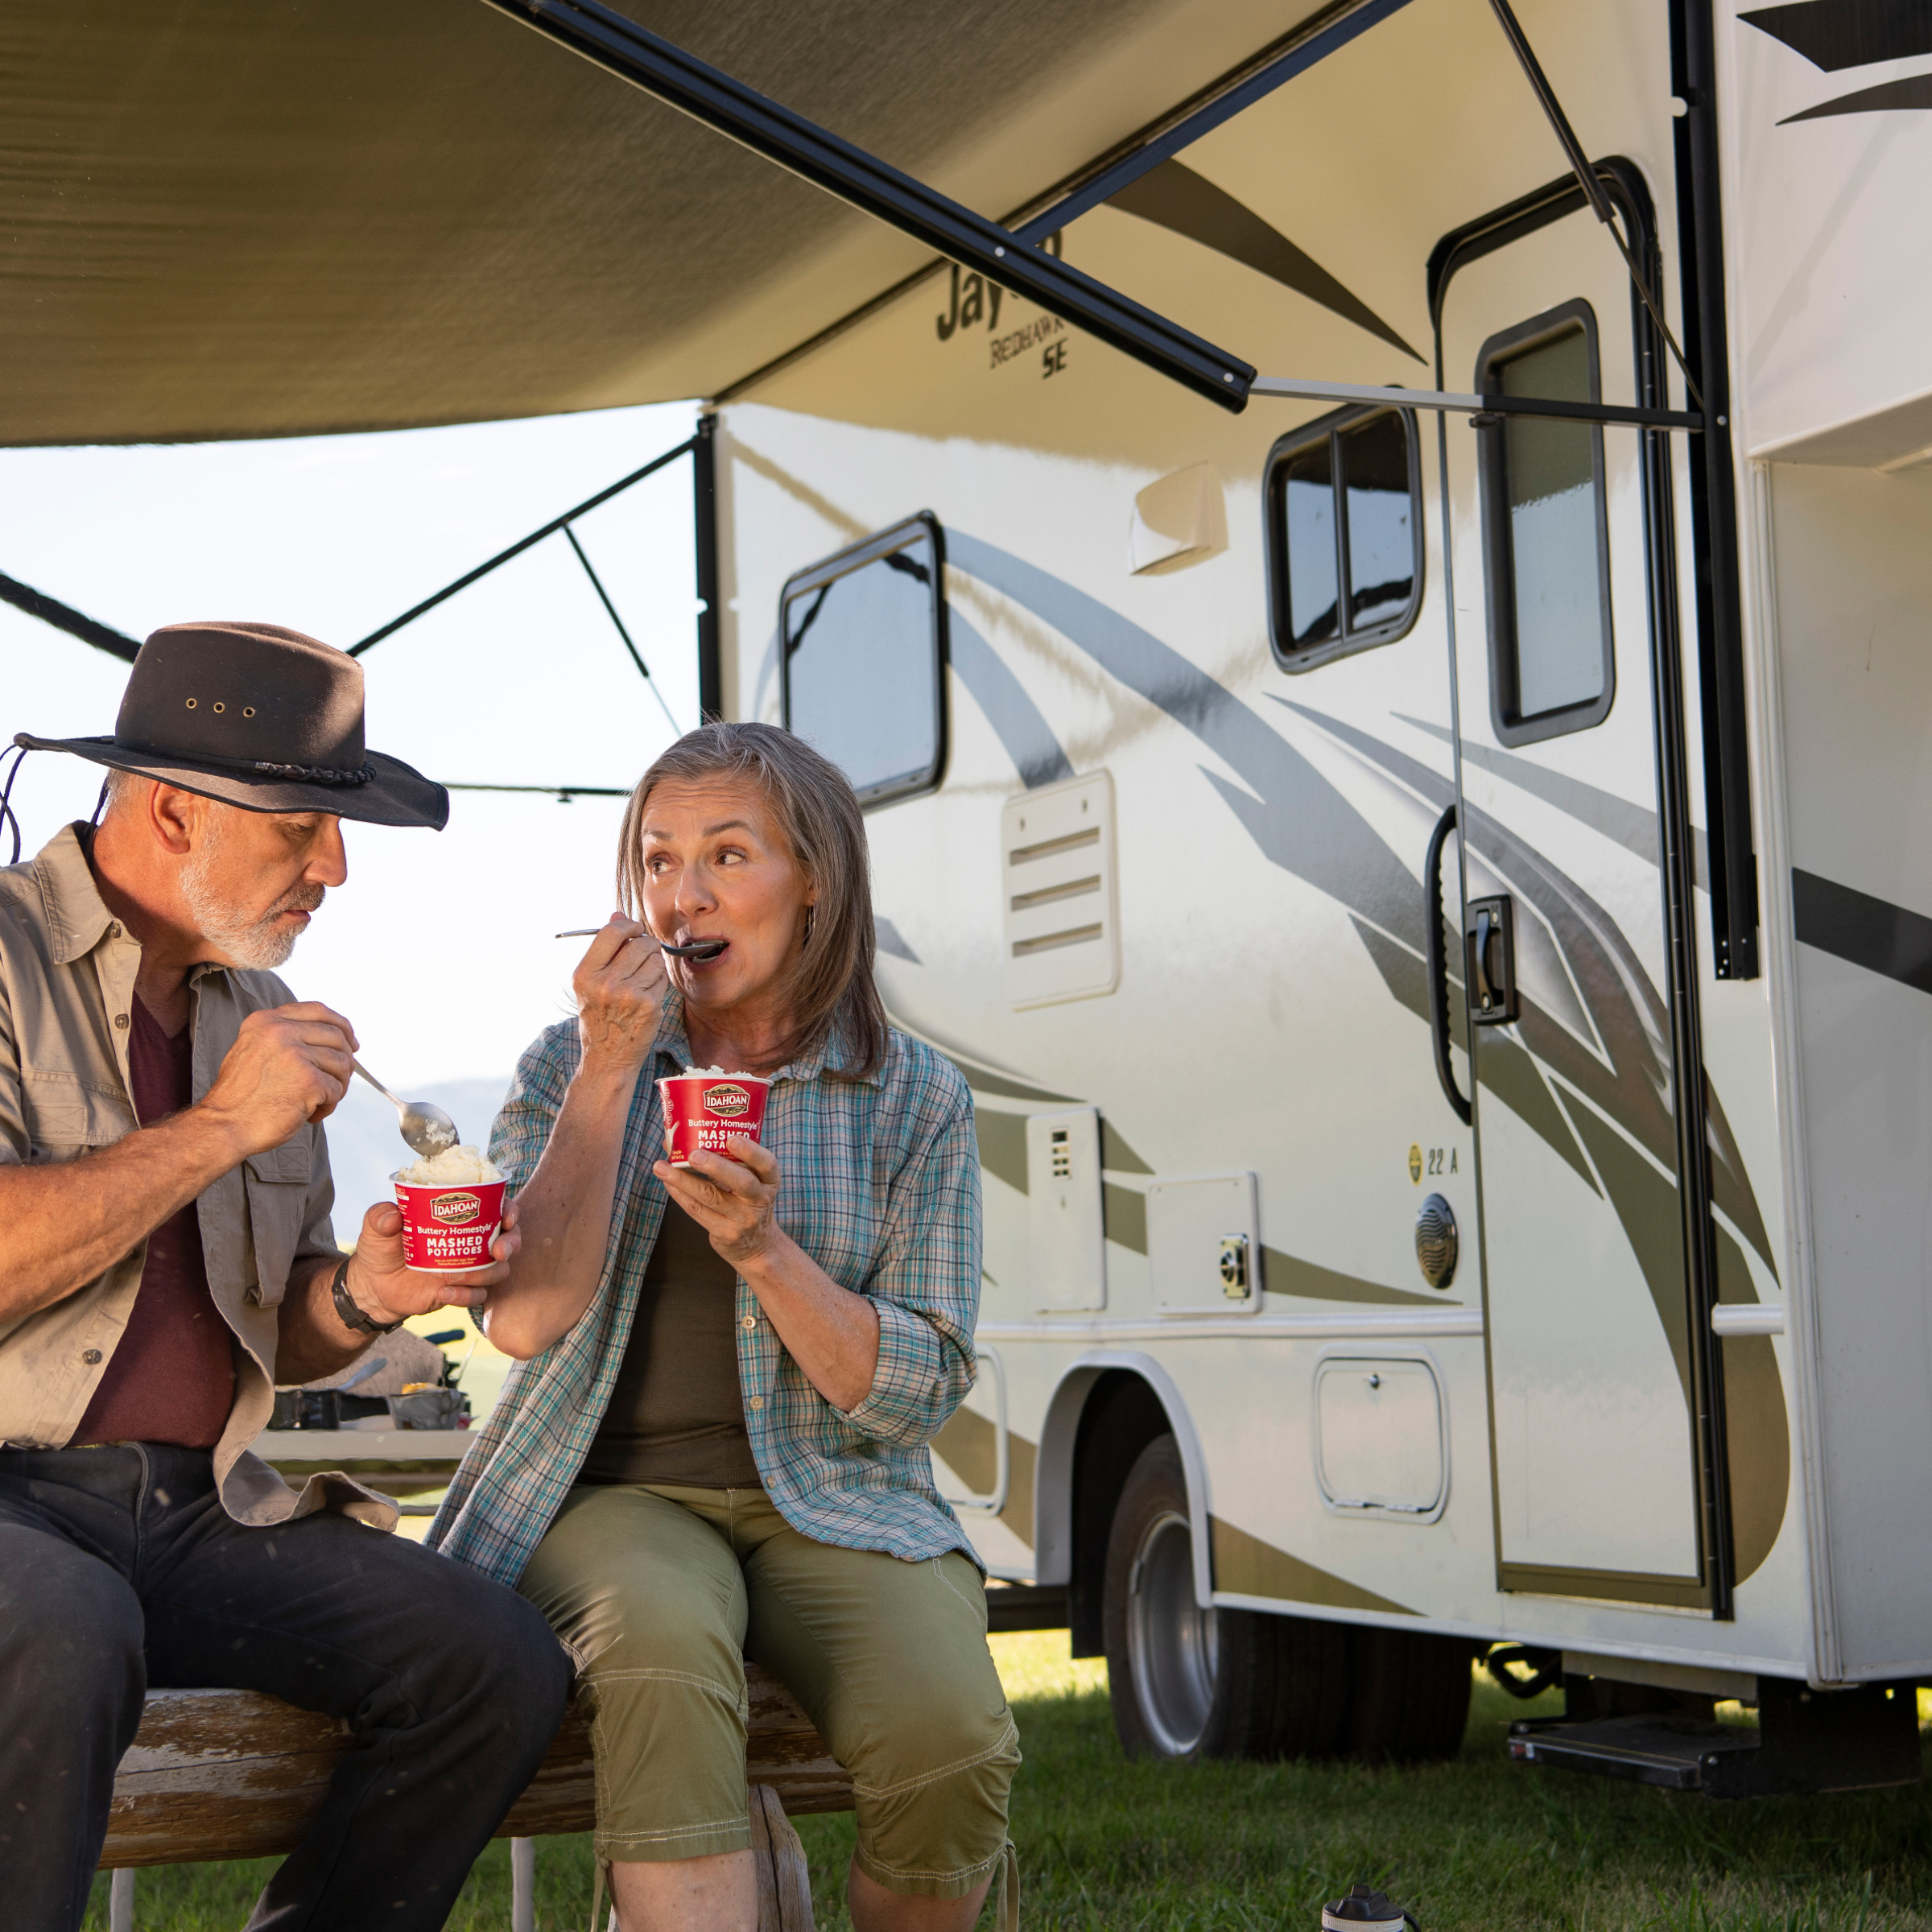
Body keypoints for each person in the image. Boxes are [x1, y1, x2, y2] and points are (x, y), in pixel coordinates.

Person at [0, 623, 572, 1932]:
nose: (338, 867)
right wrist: (218, 1128)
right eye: (303, 825)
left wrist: (364, 1296)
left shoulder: (252, 1011)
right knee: (62, 1630)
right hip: (13, 1509)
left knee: (491, 1662)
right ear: (172, 810)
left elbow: (274, 1330)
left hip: (198, 1510)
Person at [430, 722, 1018, 1932]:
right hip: (603, 1493)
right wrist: (609, 1067)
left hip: (837, 1491)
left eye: (727, 856)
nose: (680, 895)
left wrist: (762, 1249)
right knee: (660, 1647)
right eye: (655, 861)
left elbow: (917, 1388)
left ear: (816, 882)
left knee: (949, 1733)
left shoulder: (913, 1095)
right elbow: (526, 1324)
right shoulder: (567, 1062)